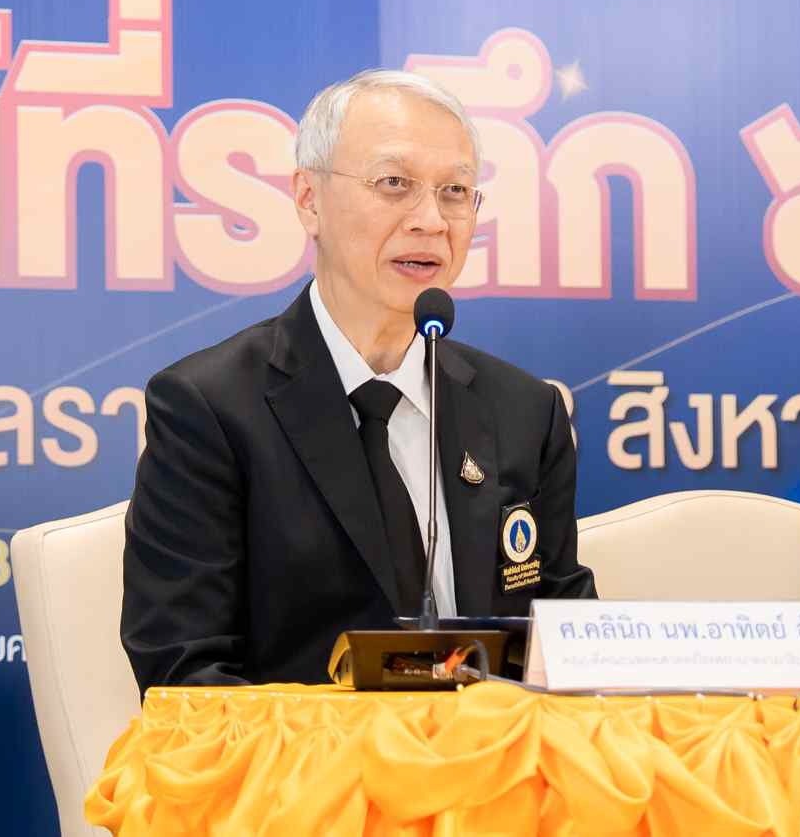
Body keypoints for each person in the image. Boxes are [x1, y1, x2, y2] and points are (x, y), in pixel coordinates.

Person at [121, 70, 595, 689]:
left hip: (495, 748)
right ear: (308, 200)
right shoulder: (209, 409)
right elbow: (186, 678)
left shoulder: (525, 412)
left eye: (455, 191)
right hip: (304, 753)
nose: (431, 220)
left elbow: (571, 651)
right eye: (394, 183)